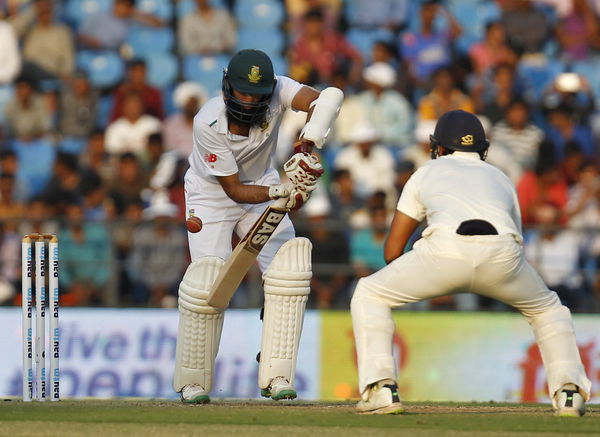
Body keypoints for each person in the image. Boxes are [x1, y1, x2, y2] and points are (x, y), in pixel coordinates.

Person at [350, 110, 591, 416]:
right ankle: (569, 394)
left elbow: (392, 251)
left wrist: (426, 266)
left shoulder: (425, 172)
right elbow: (516, 239)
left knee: (370, 293)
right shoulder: (501, 177)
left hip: (445, 250)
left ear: (438, 147)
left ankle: (382, 388)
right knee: (549, 310)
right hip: (503, 254)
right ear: (482, 148)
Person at [173, 49, 343, 403]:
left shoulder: (279, 89)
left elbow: (326, 99)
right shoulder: (208, 122)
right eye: (243, 93)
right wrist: (284, 189)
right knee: (207, 283)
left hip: (264, 184)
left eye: (257, 94)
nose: (250, 102)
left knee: (289, 272)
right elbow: (233, 189)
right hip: (212, 195)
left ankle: (277, 375)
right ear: (227, 88)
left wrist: (307, 146)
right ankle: (194, 381)